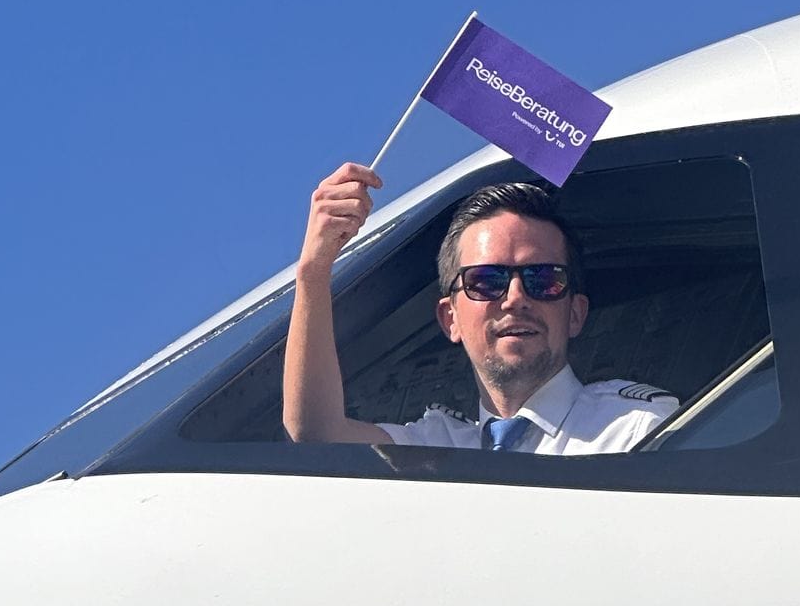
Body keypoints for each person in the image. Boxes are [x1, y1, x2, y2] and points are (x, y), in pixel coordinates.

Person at [282, 162, 678, 454]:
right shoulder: (435, 451)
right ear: (449, 318)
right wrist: (314, 272)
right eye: (486, 281)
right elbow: (317, 430)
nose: (516, 297)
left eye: (543, 279)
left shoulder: (638, 433)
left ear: (575, 312)